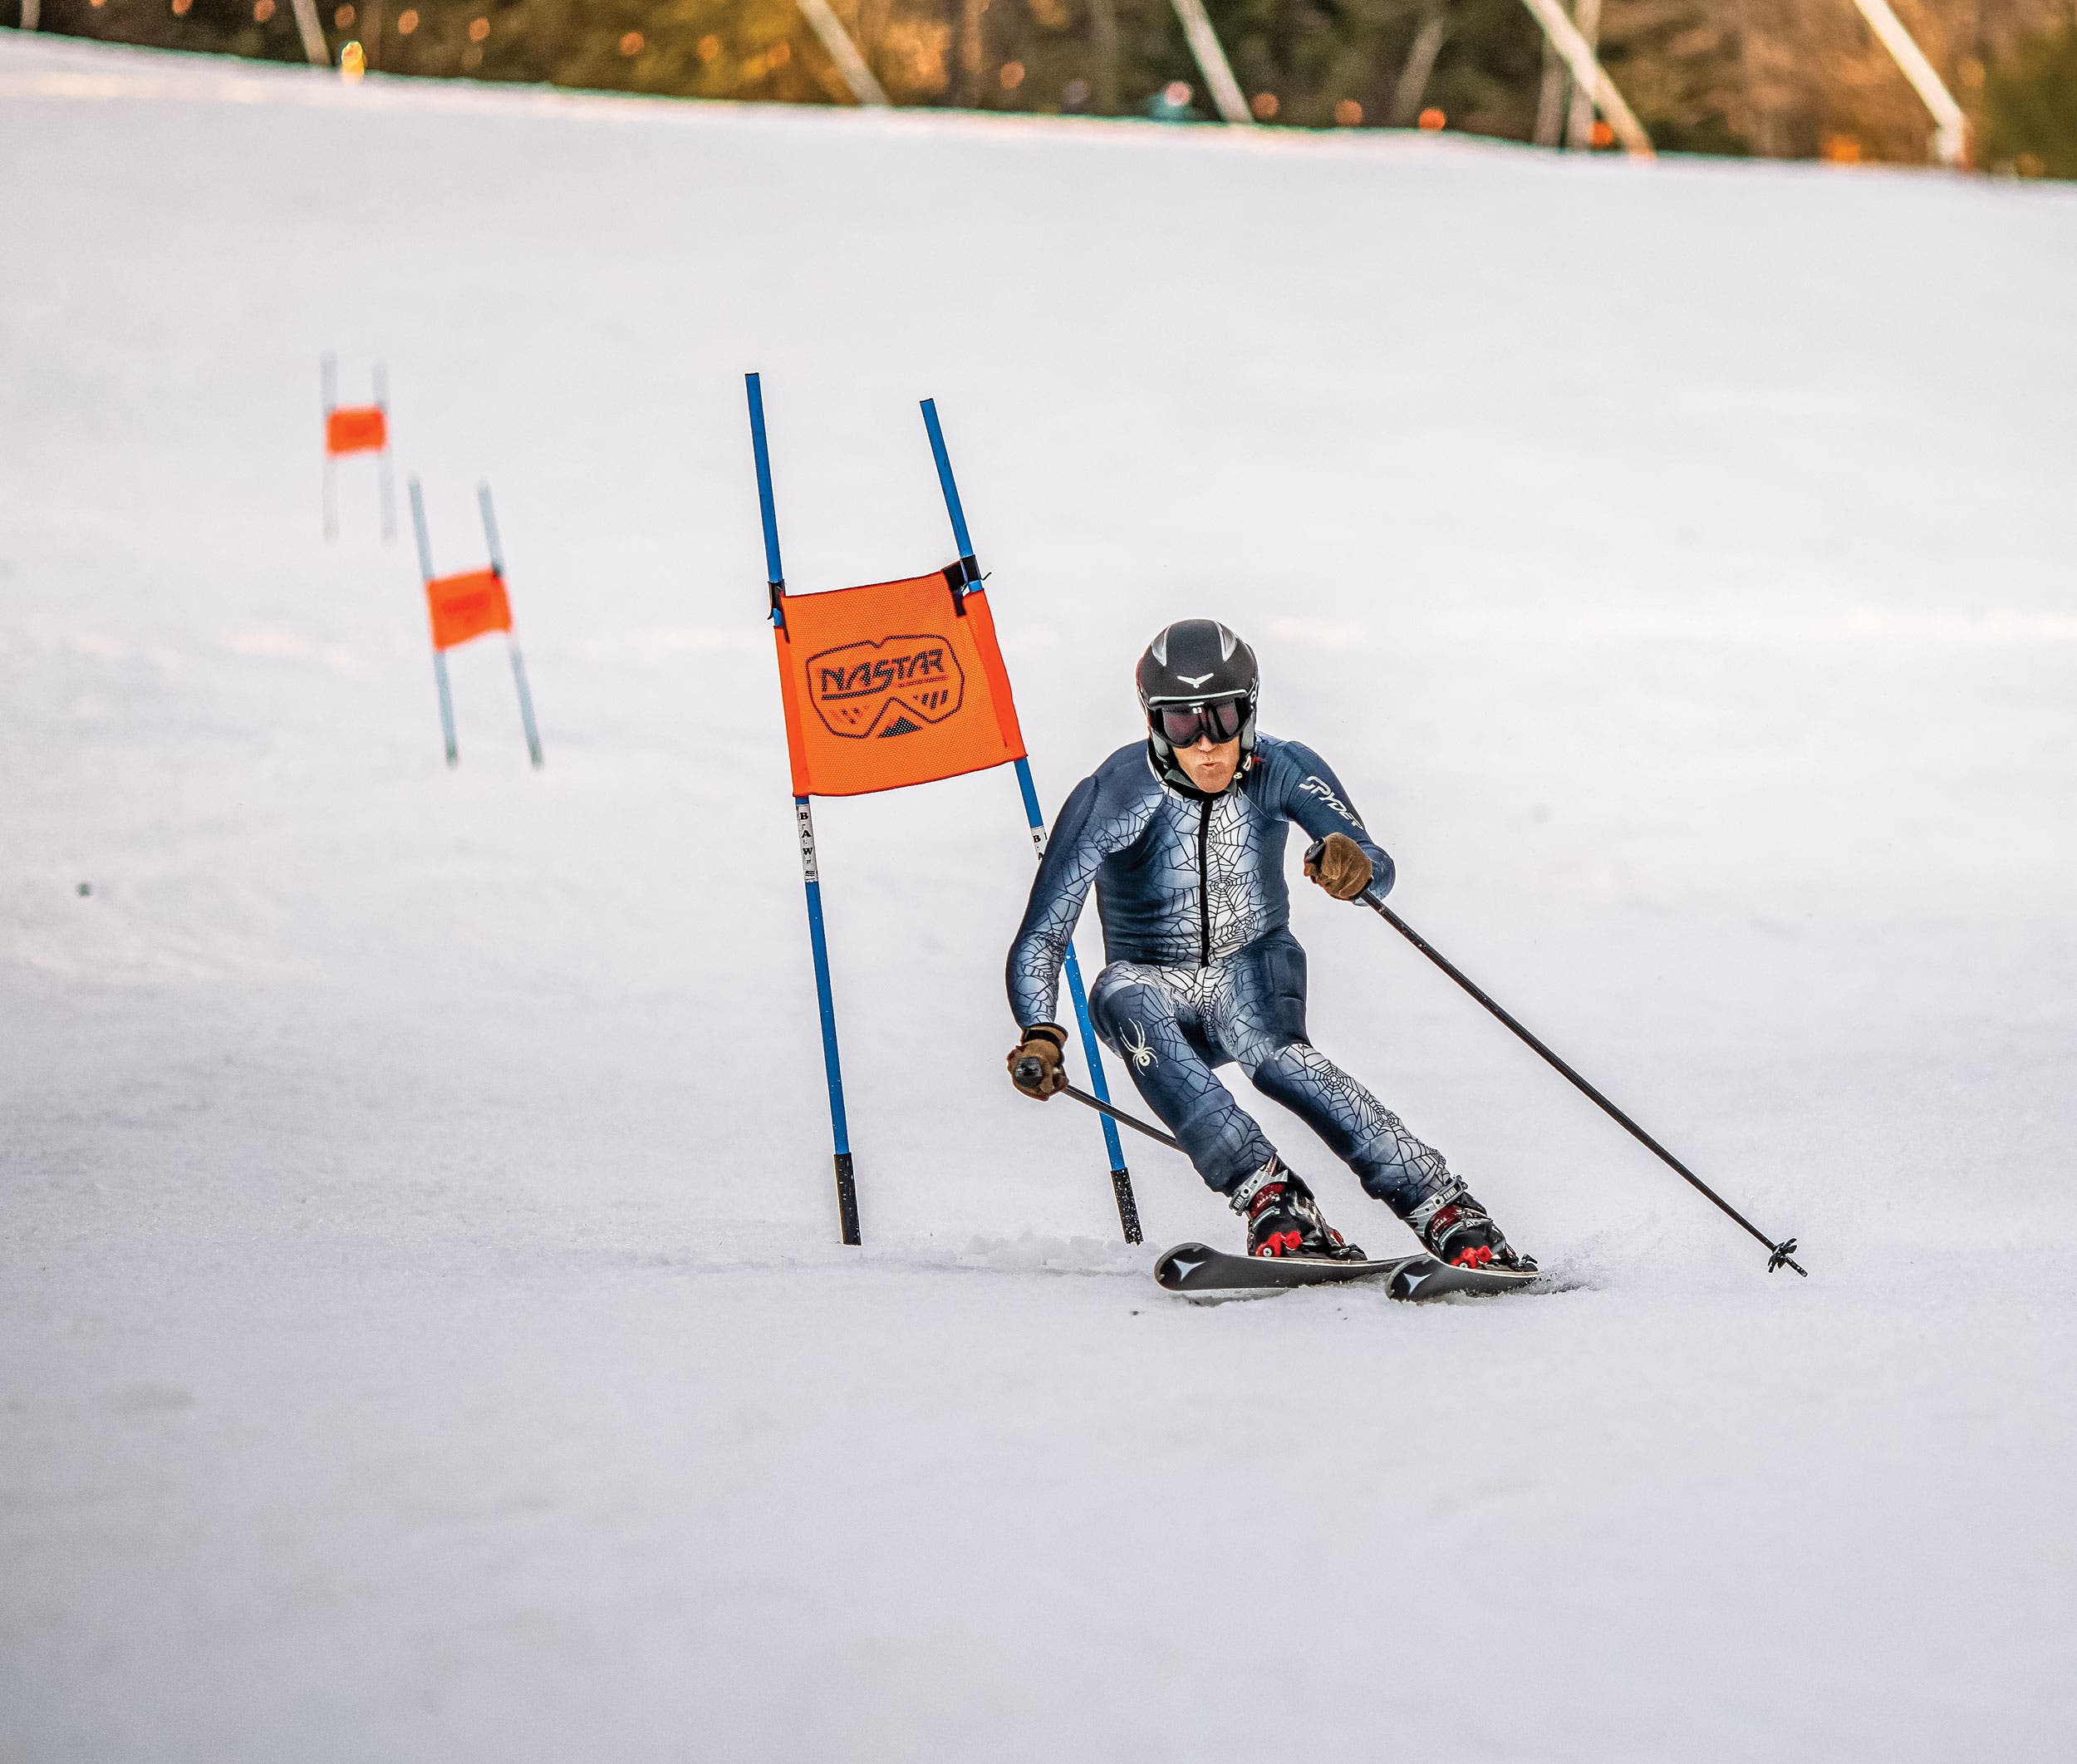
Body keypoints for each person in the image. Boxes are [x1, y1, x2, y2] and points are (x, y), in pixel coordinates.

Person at [1004, 619, 1531, 1269]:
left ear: (1248, 709)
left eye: (1222, 717)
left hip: (1252, 974)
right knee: (1116, 990)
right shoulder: (1113, 793)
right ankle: (1270, 1196)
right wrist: (1040, 1029)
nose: (1206, 745)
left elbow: (1372, 861)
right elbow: (1044, 930)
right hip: (1154, 992)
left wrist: (1353, 865)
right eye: (1181, 724)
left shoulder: (1281, 765)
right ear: (1152, 722)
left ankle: (1445, 1206)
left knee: (1277, 1059)